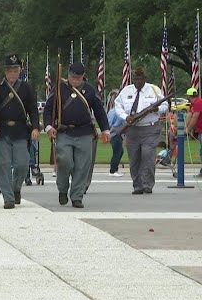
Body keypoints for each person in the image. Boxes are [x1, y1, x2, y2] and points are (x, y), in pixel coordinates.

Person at [44, 62, 110, 208]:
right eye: (73, 77)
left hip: (84, 132)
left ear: (82, 77)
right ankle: (62, 189)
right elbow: (49, 109)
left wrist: (105, 130)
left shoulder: (89, 90)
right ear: (68, 75)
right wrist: (49, 127)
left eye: (78, 78)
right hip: (64, 131)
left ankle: (77, 196)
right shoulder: (59, 88)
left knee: (82, 167)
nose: (75, 80)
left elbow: (99, 111)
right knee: (64, 161)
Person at [0, 54, 39, 209]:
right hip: (2, 131)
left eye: (15, 70)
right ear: (5, 71)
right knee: (4, 165)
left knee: (22, 164)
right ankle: (8, 197)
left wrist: (35, 127)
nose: (12, 73)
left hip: (21, 131)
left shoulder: (26, 87)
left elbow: (33, 110)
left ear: (20, 70)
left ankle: (16, 189)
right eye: (9, 70)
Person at [114, 67, 168, 195]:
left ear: (145, 79)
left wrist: (156, 109)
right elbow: (117, 106)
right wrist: (125, 117)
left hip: (150, 128)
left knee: (147, 156)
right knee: (134, 158)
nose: (138, 81)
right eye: (136, 79)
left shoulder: (154, 89)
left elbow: (165, 105)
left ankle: (147, 184)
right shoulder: (126, 91)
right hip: (132, 129)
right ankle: (137, 185)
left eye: (140, 79)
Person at [106, 89, 125, 177]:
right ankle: (113, 171)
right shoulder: (113, 112)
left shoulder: (119, 112)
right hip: (114, 134)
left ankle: (115, 169)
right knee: (117, 152)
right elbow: (110, 124)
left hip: (119, 134)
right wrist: (111, 131)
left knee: (120, 152)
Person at [184, 87, 202, 177]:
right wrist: (184, 128)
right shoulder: (193, 104)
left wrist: (188, 129)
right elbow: (189, 116)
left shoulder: (199, 102)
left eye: (187, 95)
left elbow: (195, 117)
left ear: (189, 96)